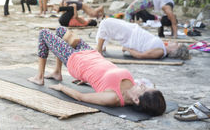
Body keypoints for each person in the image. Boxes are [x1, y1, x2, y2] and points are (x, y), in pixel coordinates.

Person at [28, 26, 166, 115]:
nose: (142, 85)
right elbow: (103, 79)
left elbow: (81, 97)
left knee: (44, 33)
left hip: (76, 61)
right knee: (61, 31)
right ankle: (57, 72)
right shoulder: (132, 86)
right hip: (91, 54)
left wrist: (61, 88)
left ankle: (39, 77)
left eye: (143, 89)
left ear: (136, 100)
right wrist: (89, 81)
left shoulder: (113, 98)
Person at [96, 18, 190, 59]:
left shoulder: (160, 52)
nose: (174, 42)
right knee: (109, 22)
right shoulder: (163, 47)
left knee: (105, 23)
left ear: (175, 50)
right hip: (133, 30)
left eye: (177, 44)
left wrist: (127, 48)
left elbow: (140, 55)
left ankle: (99, 50)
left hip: (131, 36)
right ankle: (102, 46)